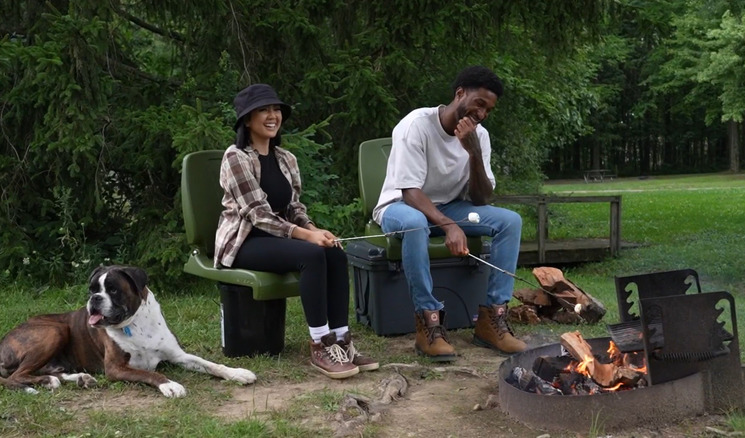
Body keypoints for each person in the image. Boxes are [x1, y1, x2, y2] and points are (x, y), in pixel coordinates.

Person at [214, 83, 377, 379]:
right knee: (312, 255)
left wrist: (316, 230)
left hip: (279, 238)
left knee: (334, 252)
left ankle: (341, 340)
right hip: (246, 241)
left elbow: (294, 209)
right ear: (247, 120)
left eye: (276, 109)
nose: (272, 115)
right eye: (263, 110)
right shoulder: (235, 157)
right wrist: (306, 237)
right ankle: (320, 343)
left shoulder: (286, 159)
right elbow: (258, 215)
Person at [373, 66, 525, 362]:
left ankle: (492, 320)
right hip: (400, 207)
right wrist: (449, 225)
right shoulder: (416, 124)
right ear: (460, 94)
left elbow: (482, 198)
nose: (482, 114)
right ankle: (428, 323)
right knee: (416, 222)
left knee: (510, 221)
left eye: (488, 110)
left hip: (451, 207)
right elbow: (409, 191)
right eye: (479, 103)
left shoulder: (479, 136)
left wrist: (473, 152)